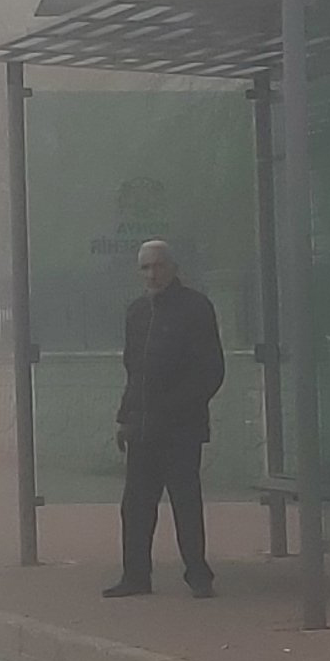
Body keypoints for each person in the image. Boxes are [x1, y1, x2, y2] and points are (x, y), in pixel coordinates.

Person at [109, 238, 226, 599]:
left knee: (185, 502)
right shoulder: (137, 312)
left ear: (173, 268)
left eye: (158, 265)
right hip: (142, 427)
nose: (152, 274)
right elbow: (134, 370)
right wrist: (126, 416)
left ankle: (198, 574)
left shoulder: (195, 308)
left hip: (181, 428)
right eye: (145, 267)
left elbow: (211, 371)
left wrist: (174, 409)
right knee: (136, 506)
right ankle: (135, 576)